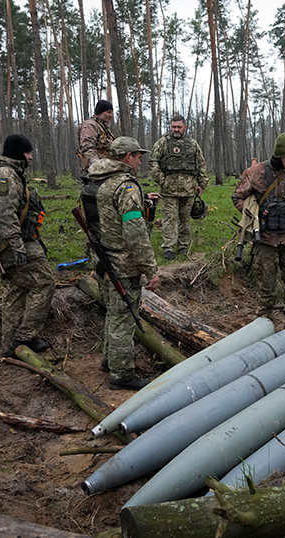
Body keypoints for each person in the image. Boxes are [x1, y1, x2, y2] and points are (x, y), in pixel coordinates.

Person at [86, 137, 160, 390]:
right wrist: (150, 269)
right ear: (128, 157)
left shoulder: (97, 180)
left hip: (101, 258)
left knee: (112, 312)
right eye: (139, 156)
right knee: (123, 317)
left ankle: (110, 359)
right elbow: (135, 232)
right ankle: (121, 374)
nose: (141, 161)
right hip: (122, 262)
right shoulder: (126, 187)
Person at [0, 134, 55, 356]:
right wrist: (16, 245)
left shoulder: (6, 173)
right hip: (13, 244)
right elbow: (4, 213)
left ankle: (10, 345)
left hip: (10, 242)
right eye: (28, 153)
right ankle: (25, 337)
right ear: (19, 153)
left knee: (15, 290)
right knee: (44, 283)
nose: (31, 158)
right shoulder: (4, 175)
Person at [232, 133, 285, 328]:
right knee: (266, 286)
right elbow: (237, 197)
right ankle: (263, 325)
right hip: (266, 239)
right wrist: (255, 212)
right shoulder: (256, 173)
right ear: (278, 155)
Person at [149, 115, 208, 260]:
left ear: (185, 127)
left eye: (179, 127)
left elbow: (201, 164)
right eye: (173, 127)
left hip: (188, 189)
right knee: (170, 218)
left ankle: (183, 245)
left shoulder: (192, 144)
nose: (176, 130)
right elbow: (153, 163)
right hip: (169, 190)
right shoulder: (162, 143)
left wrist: (202, 184)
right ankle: (169, 247)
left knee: (185, 219)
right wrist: (162, 181)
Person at [77, 99, 116, 176]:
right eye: (109, 112)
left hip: (108, 170)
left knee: (128, 187)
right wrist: (97, 167)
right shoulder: (89, 126)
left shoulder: (104, 128)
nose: (111, 115)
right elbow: (87, 148)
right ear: (100, 112)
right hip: (97, 173)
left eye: (112, 112)